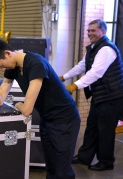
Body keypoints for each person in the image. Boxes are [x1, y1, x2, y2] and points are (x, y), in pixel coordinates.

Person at [0, 38, 81, 179]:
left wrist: (17, 104)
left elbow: (27, 110)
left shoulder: (36, 63)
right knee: (51, 168)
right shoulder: (12, 68)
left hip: (65, 120)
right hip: (47, 119)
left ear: (8, 53)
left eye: (1, 65)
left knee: (62, 171)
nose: (3, 69)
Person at [59, 19, 123, 171]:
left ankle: (106, 162)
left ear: (103, 31)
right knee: (92, 127)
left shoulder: (106, 49)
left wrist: (75, 86)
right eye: (88, 31)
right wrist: (63, 77)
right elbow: (82, 66)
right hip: (100, 96)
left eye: (93, 30)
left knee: (105, 131)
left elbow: (96, 72)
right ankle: (84, 157)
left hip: (111, 97)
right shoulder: (93, 48)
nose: (90, 33)